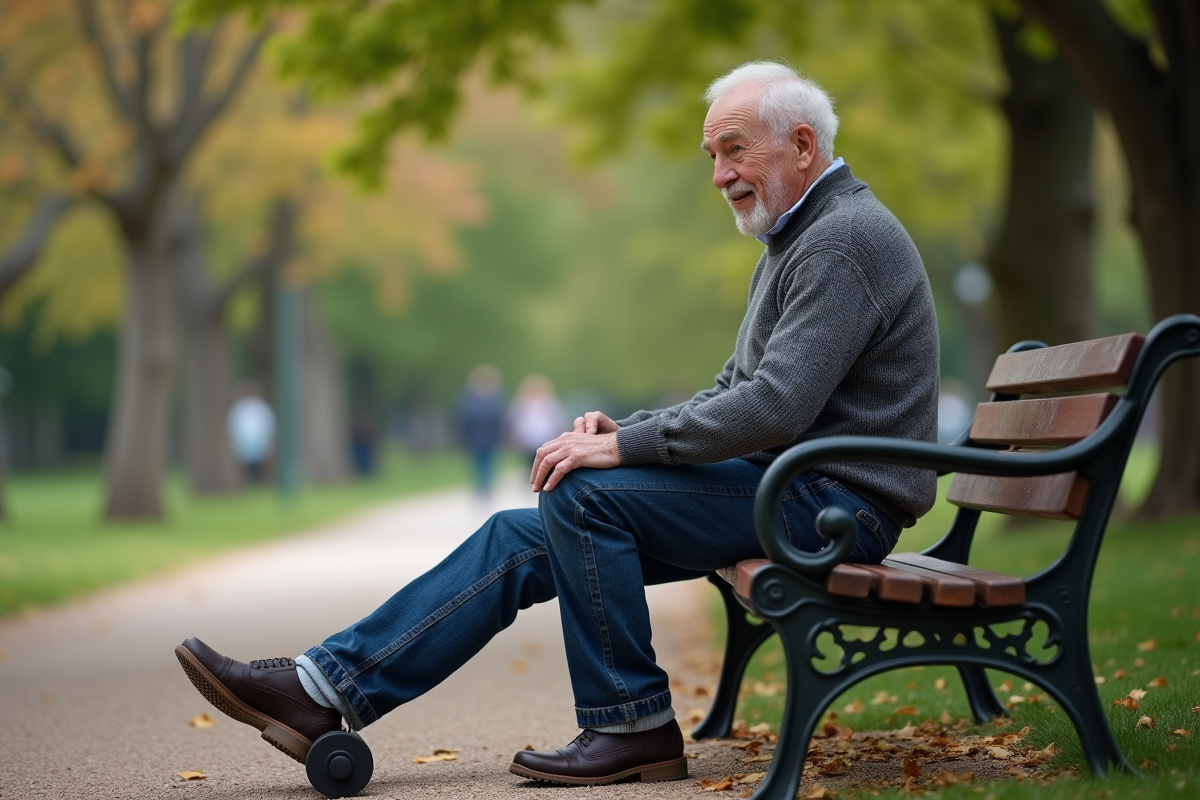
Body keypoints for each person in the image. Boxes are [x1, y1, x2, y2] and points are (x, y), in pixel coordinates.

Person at [175, 61, 939, 787]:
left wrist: (620, 449)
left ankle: (632, 726)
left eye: (733, 150)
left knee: (584, 497)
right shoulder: (801, 238)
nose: (719, 175)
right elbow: (736, 391)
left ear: (802, 145)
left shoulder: (840, 241)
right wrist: (625, 430)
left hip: (835, 508)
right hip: (792, 487)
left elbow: (772, 407)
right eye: (711, 155)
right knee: (519, 537)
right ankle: (325, 689)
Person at [455, 364, 507, 499]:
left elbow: (500, 420)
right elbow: (464, 420)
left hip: (491, 438)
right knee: (477, 465)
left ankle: (487, 489)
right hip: (474, 438)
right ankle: (479, 488)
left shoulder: (496, 399)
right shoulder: (468, 399)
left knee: (489, 464)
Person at [507, 374, 569, 472]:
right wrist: (514, 437)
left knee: (544, 457)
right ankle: (533, 475)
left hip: (546, 436)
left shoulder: (550, 402)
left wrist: (560, 433)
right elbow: (514, 420)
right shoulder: (521, 403)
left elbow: (558, 419)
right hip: (527, 437)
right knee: (530, 459)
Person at [225, 382, 276, 483]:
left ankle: (258, 481)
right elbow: (233, 424)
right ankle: (248, 481)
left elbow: (268, 423)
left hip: (259, 438)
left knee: (259, 462)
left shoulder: (262, 407)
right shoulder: (239, 407)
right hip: (244, 438)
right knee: (244, 463)